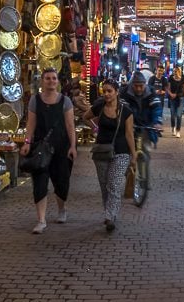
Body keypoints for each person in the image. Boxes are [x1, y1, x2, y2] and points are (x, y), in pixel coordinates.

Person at [20, 68, 77, 234]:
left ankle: (61, 209)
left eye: (54, 78)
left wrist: (72, 146)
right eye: (48, 78)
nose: (51, 81)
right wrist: (27, 143)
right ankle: (41, 220)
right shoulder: (34, 100)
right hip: (40, 148)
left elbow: (70, 126)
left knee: (61, 181)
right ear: (42, 81)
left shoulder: (65, 101)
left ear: (58, 81)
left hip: (61, 147)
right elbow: (30, 125)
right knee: (40, 183)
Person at [83, 79, 135, 232]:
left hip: (121, 152)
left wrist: (133, 155)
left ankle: (110, 216)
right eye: (104, 91)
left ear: (117, 92)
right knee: (105, 186)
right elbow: (86, 117)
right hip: (101, 152)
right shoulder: (99, 105)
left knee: (114, 185)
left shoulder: (126, 111)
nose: (106, 94)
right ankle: (109, 212)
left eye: (109, 91)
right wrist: (95, 128)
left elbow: (129, 134)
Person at [120, 71, 163, 155]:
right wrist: (126, 124)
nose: (139, 88)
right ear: (132, 84)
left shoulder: (151, 92)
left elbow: (156, 107)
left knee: (145, 153)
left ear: (145, 84)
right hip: (130, 128)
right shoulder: (125, 93)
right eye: (136, 86)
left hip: (146, 126)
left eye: (141, 86)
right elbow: (123, 110)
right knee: (126, 154)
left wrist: (157, 122)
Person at [167, 67, 184, 137]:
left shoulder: (182, 79)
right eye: (173, 71)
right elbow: (168, 88)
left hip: (180, 98)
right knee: (173, 115)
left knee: (179, 115)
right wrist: (171, 94)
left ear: (179, 72)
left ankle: (178, 130)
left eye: (175, 71)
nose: (174, 73)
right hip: (172, 99)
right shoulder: (171, 78)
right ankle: (173, 127)